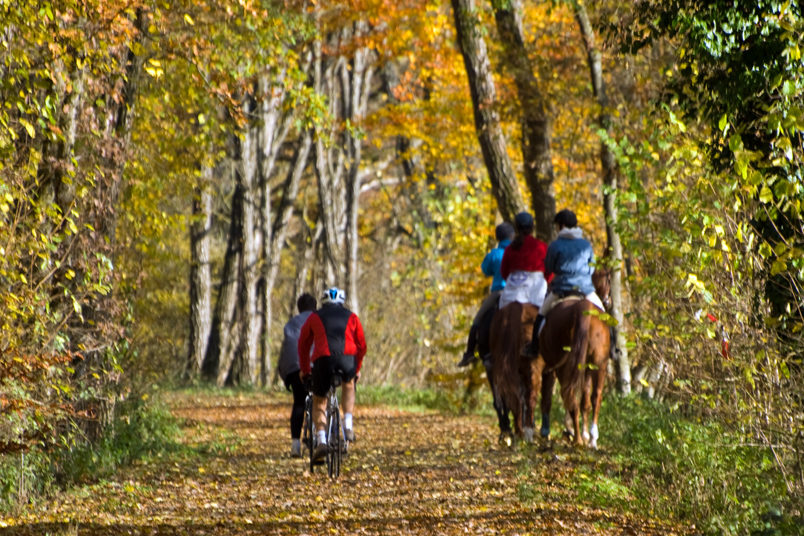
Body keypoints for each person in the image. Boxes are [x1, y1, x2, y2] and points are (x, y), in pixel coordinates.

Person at [524, 209, 605, 358]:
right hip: (585, 290)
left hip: (562, 290)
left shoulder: (555, 245)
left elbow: (548, 267)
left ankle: (534, 348)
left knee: (540, 316)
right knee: (604, 315)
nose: (556, 229)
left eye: (556, 226)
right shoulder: (586, 245)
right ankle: (612, 348)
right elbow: (591, 268)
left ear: (561, 225)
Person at [298, 287, 367, 462]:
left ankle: (321, 441)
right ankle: (348, 425)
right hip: (346, 360)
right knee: (349, 384)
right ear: (342, 302)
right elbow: (361, 346)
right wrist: (356, 368)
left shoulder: (314, 316)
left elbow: (303, 345)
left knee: (319, 401)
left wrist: (306, 372)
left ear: (323, 301)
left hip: (323, 361)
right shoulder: (352, 317)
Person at [458, 222, 515, 367]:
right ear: (512, 235)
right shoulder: (518, 252)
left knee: (477, 320)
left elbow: (485, 270)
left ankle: (469, 353)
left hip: (499, 293)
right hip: (519, 292)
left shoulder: (495, 253)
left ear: (498, 238)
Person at [278, 293, 317, 458]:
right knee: (320, 400)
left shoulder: (290, 324)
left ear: (298, 308)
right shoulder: (320, 320)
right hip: (316, 366)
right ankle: (320, 436)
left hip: (295, 368)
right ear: (315, 307)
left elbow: (286, 352)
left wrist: (285, 375)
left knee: (299, 402)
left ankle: (295, 444)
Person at [497, 211, 550, 311]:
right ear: (532, 227)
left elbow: (504, 272)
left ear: (516, 228)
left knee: (499, 310)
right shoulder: (542, 246)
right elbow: (549, 271)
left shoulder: (510, 248)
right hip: (536, 287)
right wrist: (545, 281)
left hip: (513, 286)